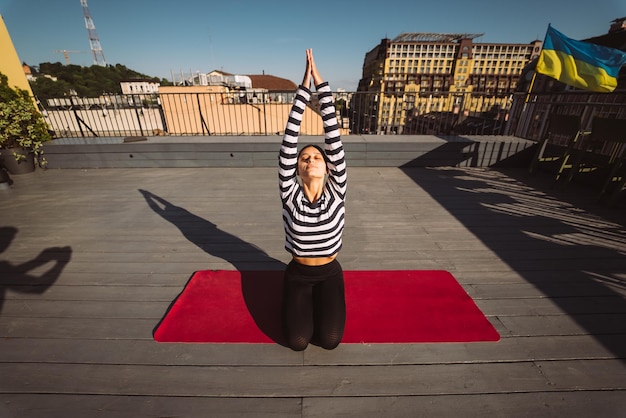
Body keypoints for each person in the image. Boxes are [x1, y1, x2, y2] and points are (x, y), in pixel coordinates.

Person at [279, 49, 347, 351]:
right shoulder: (289, 193)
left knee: (330, 341)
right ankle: (297, 301)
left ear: (327, 165)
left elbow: (332, 133)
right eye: (304, 158)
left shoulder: (337, 189)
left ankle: (321, 301)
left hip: (330, 273)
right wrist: (301, 91)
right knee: (298, 342)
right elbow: (289, 138)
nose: (310, 160)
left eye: (317, 156)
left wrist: (320, 85)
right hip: (298, 274)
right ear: (297, 167)